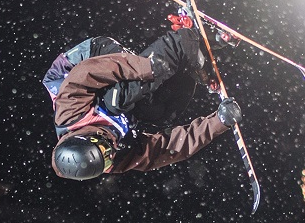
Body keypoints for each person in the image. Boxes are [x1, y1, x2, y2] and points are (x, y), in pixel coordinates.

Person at [44, 27, 241, 182]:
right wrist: (219, 122)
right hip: (110, 92)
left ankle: (181, 42)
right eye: (106, 162)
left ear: (86, 138)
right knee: (158, 113)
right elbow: (168, 150)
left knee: (121, 98)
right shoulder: (117, 159)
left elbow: (90, 71)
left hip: (86, 61)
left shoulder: (70, 113)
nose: (110, 152)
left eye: (103, 150)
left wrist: (149, 67)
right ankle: (189, 63)